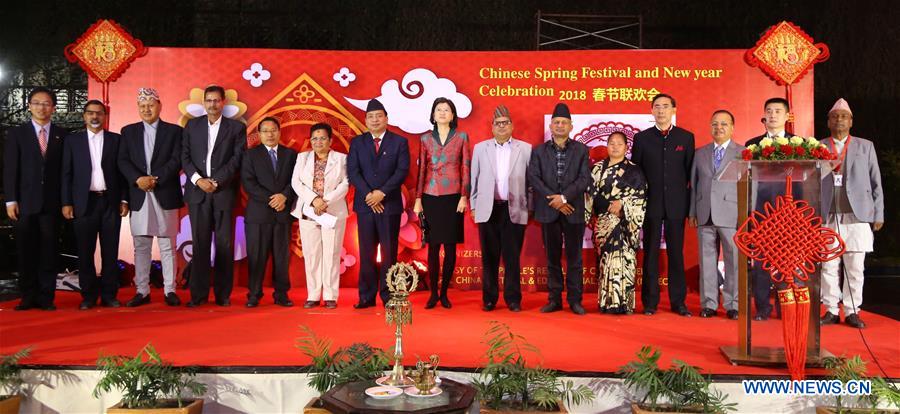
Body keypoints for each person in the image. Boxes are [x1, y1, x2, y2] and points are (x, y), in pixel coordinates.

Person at [820, 98, 884, 329]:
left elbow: (876, 181)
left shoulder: (865, 146)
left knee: (855, 267)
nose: (839, 120)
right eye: (835, 116)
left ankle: (852, 311)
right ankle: (830, 309)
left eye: (844, 116)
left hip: (858, 215)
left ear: (851, 122)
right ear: (828, 122)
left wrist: (878, 213)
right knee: (828, 266)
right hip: (827, 215)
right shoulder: (818, 146)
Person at [181, 85, 247, 307]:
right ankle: (198, 295)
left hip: (223, 192)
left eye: (216, 100)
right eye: (208, 100)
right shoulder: (192, 126)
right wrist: (198, 180)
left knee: (224, 245)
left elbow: (237, 159)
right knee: (199, 244)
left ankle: (222, 295)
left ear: (223, 102)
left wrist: (216, 181)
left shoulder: (236, 128)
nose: (212, 104)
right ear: (203, 102)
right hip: (197, 192)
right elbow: (185, 156)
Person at [118, 88, 185, 307]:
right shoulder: (128, 131)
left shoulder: (174, 131)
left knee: (167, 244)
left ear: (160, 106)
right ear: (138, 108)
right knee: (141, 245)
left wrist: (156, 179)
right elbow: (123, 161)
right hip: (139, 194)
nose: (147, 109)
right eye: (142, 106)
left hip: (165, 191)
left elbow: (177, 159)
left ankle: (170, 290)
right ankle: (142, 291)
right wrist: (138, 179)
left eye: (151, 105)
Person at [4, 87, 67, 311]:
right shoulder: (17, 134)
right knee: (26, 250)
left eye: (46, 103)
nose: (42, 107)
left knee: (49, 251)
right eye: (37, 103)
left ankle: (46, 296)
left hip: (52, 203)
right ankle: (27, 295)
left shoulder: (63, 135)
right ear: (29, 106)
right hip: (24, 203)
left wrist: (66, 201)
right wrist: (11, 200)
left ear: (54, 108)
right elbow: (10, 169)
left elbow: (66, 172)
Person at [631, 93, 695, 317]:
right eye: (657, 106)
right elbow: (636, 173)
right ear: (651, 111)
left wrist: (690, 206)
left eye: (665, 106)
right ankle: (650, 302)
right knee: (650, 253)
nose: (661, 110)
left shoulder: (686, 138)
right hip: (651, 204)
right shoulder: (642, 138)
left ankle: (679, 302)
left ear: (674, 110)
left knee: (676, 254)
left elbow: (690, 175)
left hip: (677, 205)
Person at [61, 100, 128, 310]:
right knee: (85, 251)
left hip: (110, 201)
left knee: (110, 251)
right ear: (84, 116)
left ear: (105, 116)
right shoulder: (73, 141)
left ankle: (109, 295)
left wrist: (124, 199)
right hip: (84, 203)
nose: (95, 117)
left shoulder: (116, 140)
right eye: (90, 113)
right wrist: (66, 202)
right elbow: (66, 173)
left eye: (99, 113)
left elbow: (123, 173)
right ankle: (88, 296)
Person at [528, 103, 591, 315]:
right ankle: (554, 300)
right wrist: (555, 200)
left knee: (575, 259)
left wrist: (563, 198)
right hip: (548, 211)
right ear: (551, 126)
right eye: (556, 122)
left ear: (571, 126)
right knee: (552, 259)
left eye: (564, 122)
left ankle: (575, 300)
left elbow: (584, 179)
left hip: (573, 210)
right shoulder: (539, 151)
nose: (560, 125)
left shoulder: (581, 150)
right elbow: (534, 178)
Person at [347, 99, 410, 308]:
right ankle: (366, 296)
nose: (375, 120)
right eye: (371, 117)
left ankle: (389, 296)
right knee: (366, 252)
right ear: (365, 120)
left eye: (379, 116)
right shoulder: (357, 142)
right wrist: (369, 195)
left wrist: (381, 193)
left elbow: (402, 171)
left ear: (386, 119)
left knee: (389, 253)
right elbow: (353, 171)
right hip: (365, 205)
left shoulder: (399, 142)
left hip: (389, 205)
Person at [471, 105, 531, 312]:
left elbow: (531, 183)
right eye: (498, 123)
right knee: (489, 257)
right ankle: (489, 299)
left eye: (506, 123)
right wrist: (473, 205)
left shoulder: (525, 149)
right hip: (488, 209)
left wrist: (529, 207)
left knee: (512, 257)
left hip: (514, 208)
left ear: (512, 126)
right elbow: (474, 179)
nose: (502, 126)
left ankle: (513, 299)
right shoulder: (481, 148)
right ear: (492, 127)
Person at [412, 97, 471, 309]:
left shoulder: (461, 137)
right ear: (433, 115)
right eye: (439, 109)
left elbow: (465, 167)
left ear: (453, 115)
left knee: (450, 246)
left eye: (447, 109)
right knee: (433, 247)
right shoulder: (425, 139)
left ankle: (445, 292)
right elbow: (421, 170)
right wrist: (418, 198)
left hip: (453, 197)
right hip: (430, 195)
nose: (443, 112)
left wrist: (464, 196)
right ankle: (433, 294)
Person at [689, 110, 744, 319]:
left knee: (734, 260)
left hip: (732, 214)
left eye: (723, 124)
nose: (718, 128)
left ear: (732, 128)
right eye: (714, 124)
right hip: (705, 213)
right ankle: (709, 304)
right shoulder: (700, 153)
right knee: (707, 260)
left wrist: (745, 214)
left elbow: (749, 186)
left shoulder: (743, 152)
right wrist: (692, 211)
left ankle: (733, 304)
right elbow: (694, 185)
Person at [743, 97, 795, 321]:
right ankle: (762, 307)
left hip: (788, 212)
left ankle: (785, 306)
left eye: (777, 111)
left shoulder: (799, 144)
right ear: (764, 115)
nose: (773, 115)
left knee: (786, 262)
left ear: (787, 116)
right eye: (769, 111)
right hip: (760, 211)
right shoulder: (752, 144)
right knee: (762, 262)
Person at [585, 132, 647, 314]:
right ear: (607, 145)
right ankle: (607, 302)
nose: (615, 147)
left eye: (619, 144)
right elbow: (589, 194)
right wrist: (605, 207)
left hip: (624, 223)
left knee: (623, 261)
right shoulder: (596, 169)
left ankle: (624, 303)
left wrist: (623, 204)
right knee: (606, 263)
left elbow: (641, 196)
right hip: (603, 222)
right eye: (612, 143)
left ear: (626, 147)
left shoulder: (634, 170)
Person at [242, 117, 298, 308]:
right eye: (265, 131)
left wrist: (284, 196)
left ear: (279, 132)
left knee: (282, 257)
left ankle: (281, 294)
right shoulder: (250, 155)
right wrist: (273, 199)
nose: (270, 134)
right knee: (256, 256)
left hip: (283, 213)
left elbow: (296, 180)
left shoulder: (291, 155)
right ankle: (254, 294)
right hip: (258, 215)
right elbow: (249, 183)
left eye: (273, 130)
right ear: (259, 134)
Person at [292, 123, 348, 309]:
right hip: (309, 211)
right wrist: (314, 200)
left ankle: (330, 295)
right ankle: (313, 295)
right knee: (312, 254)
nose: (318, 142)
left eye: (323, 138)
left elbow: (345, 183)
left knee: (332, 253)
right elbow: (296, 182)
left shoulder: (341, 159)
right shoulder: (303, 157)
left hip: (332, 211)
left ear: (330, 140)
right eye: (314, 138)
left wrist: (325, 201)